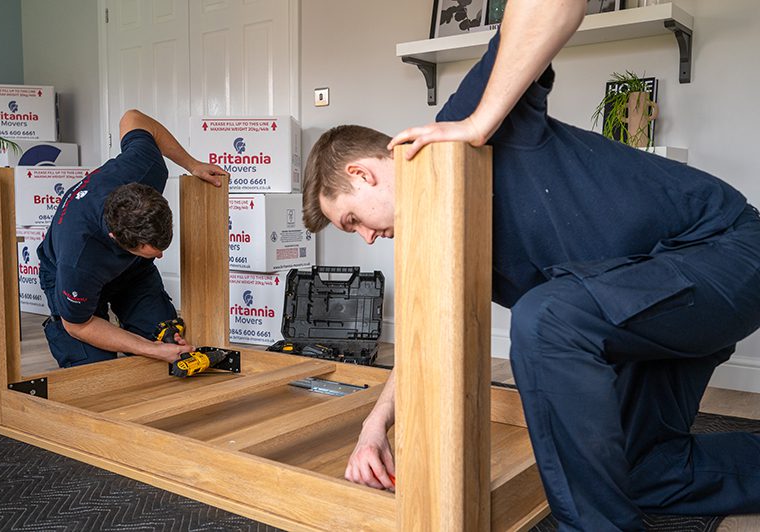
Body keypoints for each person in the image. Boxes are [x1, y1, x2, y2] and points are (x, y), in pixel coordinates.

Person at [301, 1, 760, 529]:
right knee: (644, 474)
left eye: (353, 220)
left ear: (362, 173)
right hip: (644, 304)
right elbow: (426, 339)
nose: (367, 238)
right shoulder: (433, 235)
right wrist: (373, 427)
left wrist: (479, 121)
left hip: (723, 253)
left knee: (547, 320)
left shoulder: (460, 129)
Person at [37, 110, 228, 368]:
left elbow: (133, 117)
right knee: (97, 374)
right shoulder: (77, 259)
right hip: (77, 280)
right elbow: (79, 326)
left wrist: (192, 164)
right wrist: (151, 350)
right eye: (153, 252)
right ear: (118, 238)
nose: (160, 256)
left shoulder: (145, 167)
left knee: (168, 337)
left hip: (131, 271)